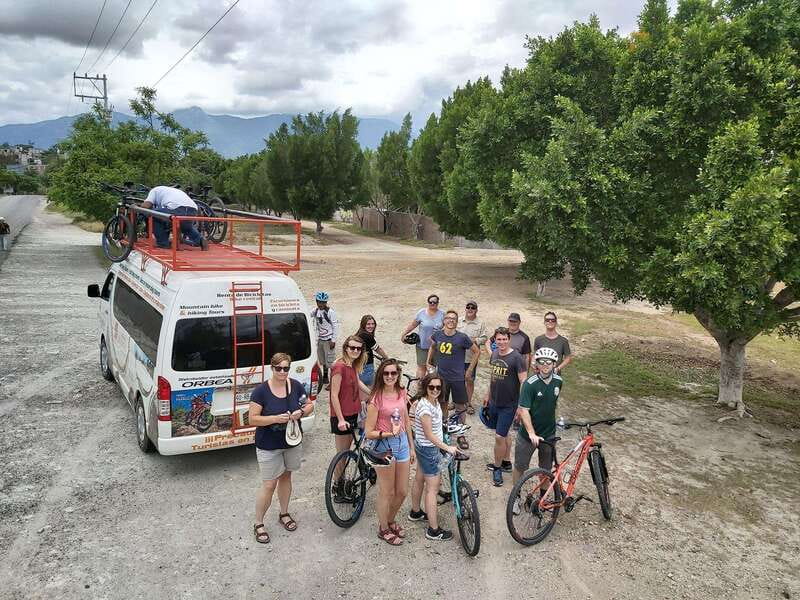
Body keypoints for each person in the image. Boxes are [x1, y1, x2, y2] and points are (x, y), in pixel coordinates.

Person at [248, 353, 314, 544]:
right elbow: (253, 419)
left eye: (286, 368)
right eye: (279, 368)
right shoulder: (261, 391)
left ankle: (284, 513)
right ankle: (258, 523)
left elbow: (309, 405)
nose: (283, 372)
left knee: (286, 477)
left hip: (291, 441)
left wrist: (300, 412)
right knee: (269, 484)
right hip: (268, 444)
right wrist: (275, 419)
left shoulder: (295, 386)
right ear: (272, 368)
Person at [364, 359, 414, 545]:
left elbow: (406, 420)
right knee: (387, 491)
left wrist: (411, 445)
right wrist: (387, 433)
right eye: (386, 373)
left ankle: (391, 520)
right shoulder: (376, 399)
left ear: (398, 374)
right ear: (381, 375)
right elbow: (369, 432)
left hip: (402, 443)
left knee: (401, 491)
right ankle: (383, 528)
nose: (390, 376)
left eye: (393, 373)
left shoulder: (402, 392)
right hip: (384, 446)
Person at [511, 347, 562, 514]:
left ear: (554, 364)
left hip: (549, 433)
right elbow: (524, 410)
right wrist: (531, 433)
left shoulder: (558, 381)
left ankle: (542, 498)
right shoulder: (530, 384)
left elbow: (553, 403)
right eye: (542, 362)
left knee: (546, 469)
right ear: (536, 364)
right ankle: (516, 498)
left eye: (549, 362)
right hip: (528, 435)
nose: (545, 365)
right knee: (520, 466)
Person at [408, 372, 458, 541]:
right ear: (425, 387)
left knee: (419, 479)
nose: (435, 390)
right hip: (429, 449)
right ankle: (433, 530)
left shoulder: (433, 401)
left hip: (423, 447)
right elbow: (429, 434)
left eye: (438, 387)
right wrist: (447, 447)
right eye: (431, 387)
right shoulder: (424, 407)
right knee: (432, 488)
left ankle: (415, 512)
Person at [427, 309, 479, 450]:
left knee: (460, 406)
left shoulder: (462, 337)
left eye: (454, 319)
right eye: (448, 318)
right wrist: (428, 361)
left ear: (457, 322)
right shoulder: (437, 335)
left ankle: (461, 435)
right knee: (442, 403)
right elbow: (432, 346)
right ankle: (444, 430)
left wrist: (469, 370)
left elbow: (476, 351)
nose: (451, 320)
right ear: (444, 321)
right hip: (441, 378)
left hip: (457, 378)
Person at [484, 327, 528, 487]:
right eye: (498, 339)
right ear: (495, 340)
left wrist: (521, 406)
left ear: (509, 339)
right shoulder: (495, 354)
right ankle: (507, 462)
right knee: (504, 434)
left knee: (499, 437)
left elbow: (524, 381)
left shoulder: (516, 357)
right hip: (495, 402)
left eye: (504, 339)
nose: (501, 342)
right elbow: (493, 376)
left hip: (509, 405)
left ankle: (497, 468)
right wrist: (487, 394)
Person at [141, 185, 208, 250]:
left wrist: (138, 209)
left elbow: (146, 206)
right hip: (193, 209)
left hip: (176, 208)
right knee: (186, 227)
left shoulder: (154, 190)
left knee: (154, 215)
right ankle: (200, 240)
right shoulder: (171, 190)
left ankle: (163, 243)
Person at [400, 294, 444, 380]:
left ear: (438, 303)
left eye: (434, 302)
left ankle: (430, 389)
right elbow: (413, 324)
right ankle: (420, 389)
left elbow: (447, 328)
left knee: (432, 369)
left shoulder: (442, 314)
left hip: (435, 347)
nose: (432, 303)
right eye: (430, 302)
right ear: (428, 302)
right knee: (421, 367)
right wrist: (404, 334)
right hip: (422, 345)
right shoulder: (421, 313)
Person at [458, 300, 487, 414]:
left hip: (471, 358)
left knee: (469, 380)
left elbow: (484, 338)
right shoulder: (459, 321)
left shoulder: (480, 323)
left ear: (476, 310)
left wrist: (475, 340)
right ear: (465, 309)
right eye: (468, 307)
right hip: (457, 357)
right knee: (457, 381)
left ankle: (468, 403)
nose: (470, 309)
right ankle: (457, 401)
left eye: (473, 307)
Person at [311, 292, 338, 386]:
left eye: (323, 302)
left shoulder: (330, 312)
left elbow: (335, 326)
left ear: (326, 302)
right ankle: (325, 377)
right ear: (316, 302)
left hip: (329, 340)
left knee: (330, 362)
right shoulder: (315, 311)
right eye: (319, 302)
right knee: (323, 361)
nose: (321, 304)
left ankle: (333, 382)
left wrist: (333, 340)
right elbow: (308, 314)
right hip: (321, 339)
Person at [355, 314, 388, 386]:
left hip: (359, 364)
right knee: (368, 388)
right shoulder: (367, 335)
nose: (371, 326)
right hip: (366, 366)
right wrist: (386, 357)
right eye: (368, 324)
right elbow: (377, 349)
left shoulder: (359, 334)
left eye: (373, 324)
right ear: (363, 325)